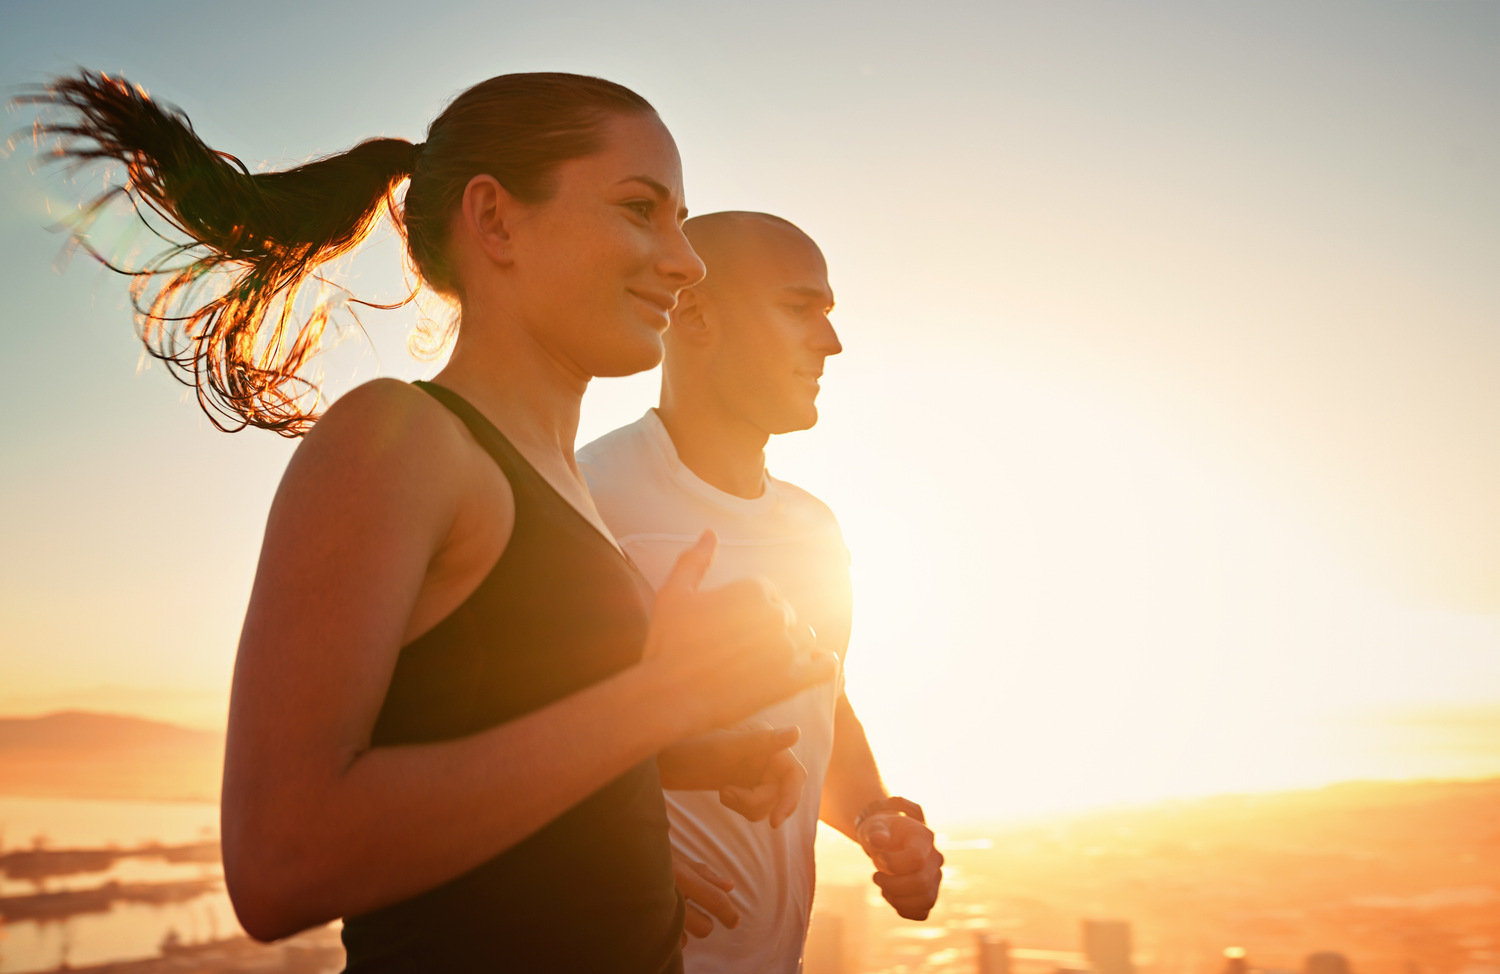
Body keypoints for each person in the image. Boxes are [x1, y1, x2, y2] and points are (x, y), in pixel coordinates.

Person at [28, 73, 837, 972]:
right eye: (642, 209)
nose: (686, 260)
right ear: (494, 221)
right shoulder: (399, 439)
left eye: (682, 221)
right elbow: (282, 858)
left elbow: (479, 730)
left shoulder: (560, 478)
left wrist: (679, 755)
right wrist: (657, 699)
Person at [579, 211, 944, 973]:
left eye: (829, 315)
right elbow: (514, 744)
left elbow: (822, 706)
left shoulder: (816, 528)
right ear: (696, 314)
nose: (831, 342)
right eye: (799, 308)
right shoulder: (584, 498)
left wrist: (876, 816)